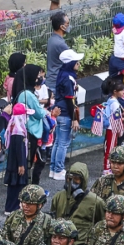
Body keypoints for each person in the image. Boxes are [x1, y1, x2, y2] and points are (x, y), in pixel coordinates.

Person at [11, 64, 49, 185]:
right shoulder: (28, 95)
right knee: (28, 163)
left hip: (27, 132)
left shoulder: (24, 93)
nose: (40, 78)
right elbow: (38, 113)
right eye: (38, 75)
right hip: (30, 133)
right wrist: (48, 112)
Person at [49, 49, 83, 181]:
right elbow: (70, 100)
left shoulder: (62, 73)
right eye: (76, 61)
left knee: (57, 142)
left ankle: (53, 169)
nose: (78, 63)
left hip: (60, 112)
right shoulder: (69, 78)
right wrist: (74, 119)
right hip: (66, 113)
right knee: (63, 143)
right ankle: (58, 170)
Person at [3, 103, 30, 214]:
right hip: (17, 164)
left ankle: (11, 206)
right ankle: (12, 207)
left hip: (12, 163)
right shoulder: (18, 131)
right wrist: (21, 164)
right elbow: (19, 148)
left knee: (14, 185)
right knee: (16, 186)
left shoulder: (13, 126)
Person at [45, 11, 70, 93]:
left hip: (51, 81)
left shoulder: (51, 39)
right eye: (68, 23)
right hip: (57, 83)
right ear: (62, 27)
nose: (69, 26)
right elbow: (72, 62)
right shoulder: (60, 44)